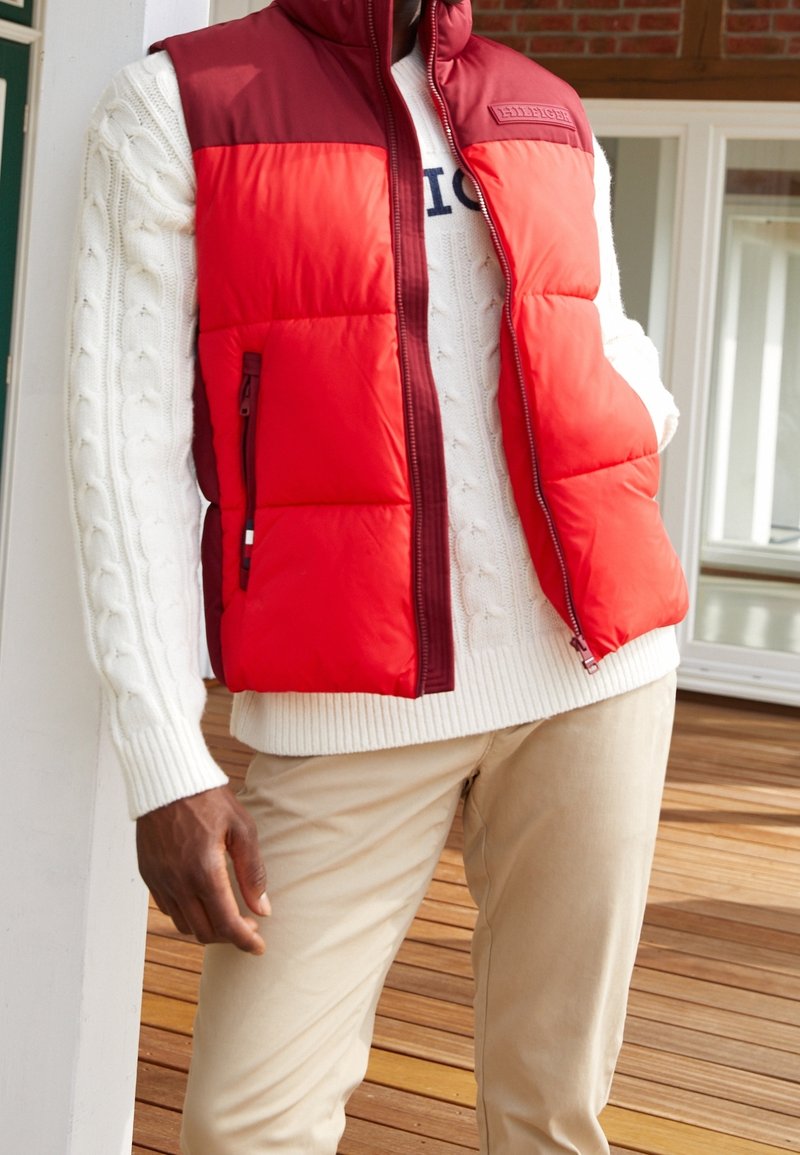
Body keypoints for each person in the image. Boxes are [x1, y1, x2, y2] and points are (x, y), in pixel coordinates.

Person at [66, 0, 688, 1151]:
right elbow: (123, 450)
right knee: (247, 1121)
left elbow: (600, 329)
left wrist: (634, 422)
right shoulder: (184, 106)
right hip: (341, 702)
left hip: (596, 673)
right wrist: (166, 760)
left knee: (549, 1111)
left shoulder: (542, 106)